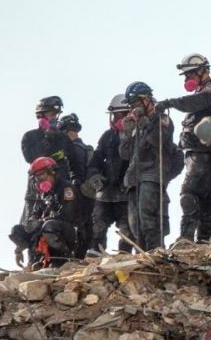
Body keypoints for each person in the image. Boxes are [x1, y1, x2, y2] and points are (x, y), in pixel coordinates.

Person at [157, 53, 211, 241]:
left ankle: (186, 239)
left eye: (190, 74)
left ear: (202, 71)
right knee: (205, 201)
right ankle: (203, 241)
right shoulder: (203, 92)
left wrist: (170, 102)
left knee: (188, 194)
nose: (188, 79)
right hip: (201, 154)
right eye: (187, 76)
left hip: (205, 154)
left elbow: (195, 102)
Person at [120, 81, 176, 251]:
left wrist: (143, 121)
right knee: (134, 222)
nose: (134, 109)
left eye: (136, 104)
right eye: (131, 106)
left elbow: (156, 140)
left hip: (152, 174)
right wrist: (127, 134)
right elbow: (124, 154)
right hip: (134, 178)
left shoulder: (162, 118)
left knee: (148, 218)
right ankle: (142, 254)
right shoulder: (136, 124)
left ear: (146, 100)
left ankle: (156, 251)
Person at [10, 157, 80, 268]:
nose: (40, 180)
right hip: (46, 229)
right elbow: (35, 214)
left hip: (66, 232)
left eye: (42, 175)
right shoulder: (44, 195)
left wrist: (42, 221)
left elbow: (67, 215)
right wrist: (18, 249)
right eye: (37, 177)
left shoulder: (66, 188)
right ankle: (36, 261)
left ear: (52, 172)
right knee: (17, 230)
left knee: (48, 226)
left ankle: (65, 257)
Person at [88, 94, 134, 254]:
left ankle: (124, 257)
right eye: (115, 115)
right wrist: (94, 176)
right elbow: (95, 161)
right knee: (97, 227)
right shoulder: (107, 137)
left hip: (127, 194)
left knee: (127, 230)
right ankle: (96, 254)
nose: (118, 119)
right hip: (106, 193)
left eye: (122, 115)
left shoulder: (140, 135)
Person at [21, 96, 76, 223]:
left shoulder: (63, 138)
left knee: (56, 226)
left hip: (59, 192)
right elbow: (30, 157)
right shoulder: (29, 137)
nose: (54, 118)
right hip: (36, 194)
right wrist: (47, 139)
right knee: (29, 228)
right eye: (51, 114)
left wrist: (75, 183)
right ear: (41, 116)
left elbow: (74, 162)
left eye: (56, 115)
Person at [58, 113, 95, 258]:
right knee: (86, 229)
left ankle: (75, 257)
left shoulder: (73, 150)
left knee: (77, 230)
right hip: (86, 197)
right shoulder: (86, 149)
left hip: (75, 197)